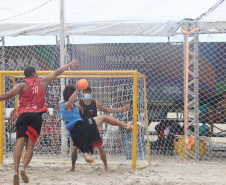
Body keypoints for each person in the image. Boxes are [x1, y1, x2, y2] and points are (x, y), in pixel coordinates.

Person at [0, 59, 79, 185]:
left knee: (19, 144)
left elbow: (6, 96)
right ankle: (23, 168)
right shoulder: (42, 81)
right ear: (34, 74)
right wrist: (69, 65)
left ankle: (15, 171)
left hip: (23, 115)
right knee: (30, 146)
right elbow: (56, 72)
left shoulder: (21, 85)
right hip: (36, 116)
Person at [59, 84, 134, 172]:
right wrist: (76, 90)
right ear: (82, 94)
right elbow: (67, 109)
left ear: (91, 93)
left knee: (99, 148)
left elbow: (108, 110)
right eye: (85, 92)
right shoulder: (76, 104)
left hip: (88, 127)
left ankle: (104, 166)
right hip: (82, 127)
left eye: (88, 92)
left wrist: (121, 109)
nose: (87, 94)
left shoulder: (94, 104)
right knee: (76, 150)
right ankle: (75, 165)